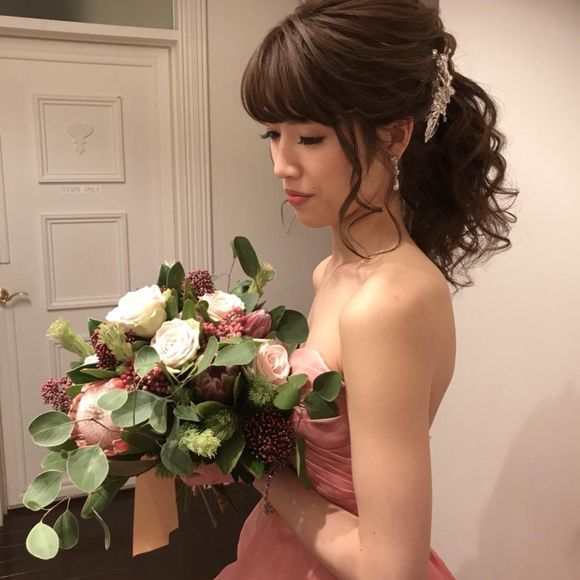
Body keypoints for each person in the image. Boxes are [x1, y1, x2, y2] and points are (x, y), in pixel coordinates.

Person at [181, 1, 518, 578]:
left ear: (396, 135)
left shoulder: (387, 305)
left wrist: (253, 467)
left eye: (310, 138)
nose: (281, 164)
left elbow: (392, 568)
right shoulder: (331, 272)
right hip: (285, 547)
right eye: (273, 133)